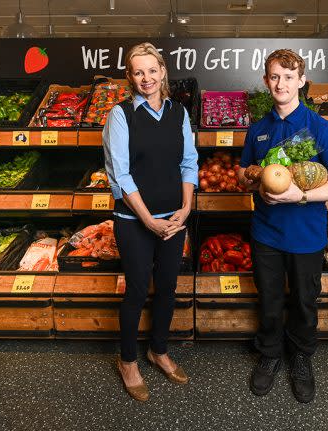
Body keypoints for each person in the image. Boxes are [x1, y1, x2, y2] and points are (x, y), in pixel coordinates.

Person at [237, 49, 328, 403]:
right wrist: (253, 179)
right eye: (274, 77)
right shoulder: (258, 130)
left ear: (302, 81)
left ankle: (301, 357)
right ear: (266, 81)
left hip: (306, 233)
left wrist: (299, 197)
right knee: (270, 299)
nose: (281, 84)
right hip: (266, 231)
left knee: (305, 301)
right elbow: (243, 173)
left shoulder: (320, 128)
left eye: (289, 77)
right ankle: (271, 353)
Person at [102, 42, 198, 402]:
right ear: (130, 77)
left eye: (152, 70)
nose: (147, 78)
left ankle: (159, 350)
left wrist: (185, 209)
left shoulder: (179, 113)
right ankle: (128, 361)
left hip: (174, 220)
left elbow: (189, 162)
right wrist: (149, 221)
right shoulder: (121, 115)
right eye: (138, 72)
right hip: (133, 221)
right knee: (138, 291)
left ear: (162, 73)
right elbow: (121, 175)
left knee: (169, 289)